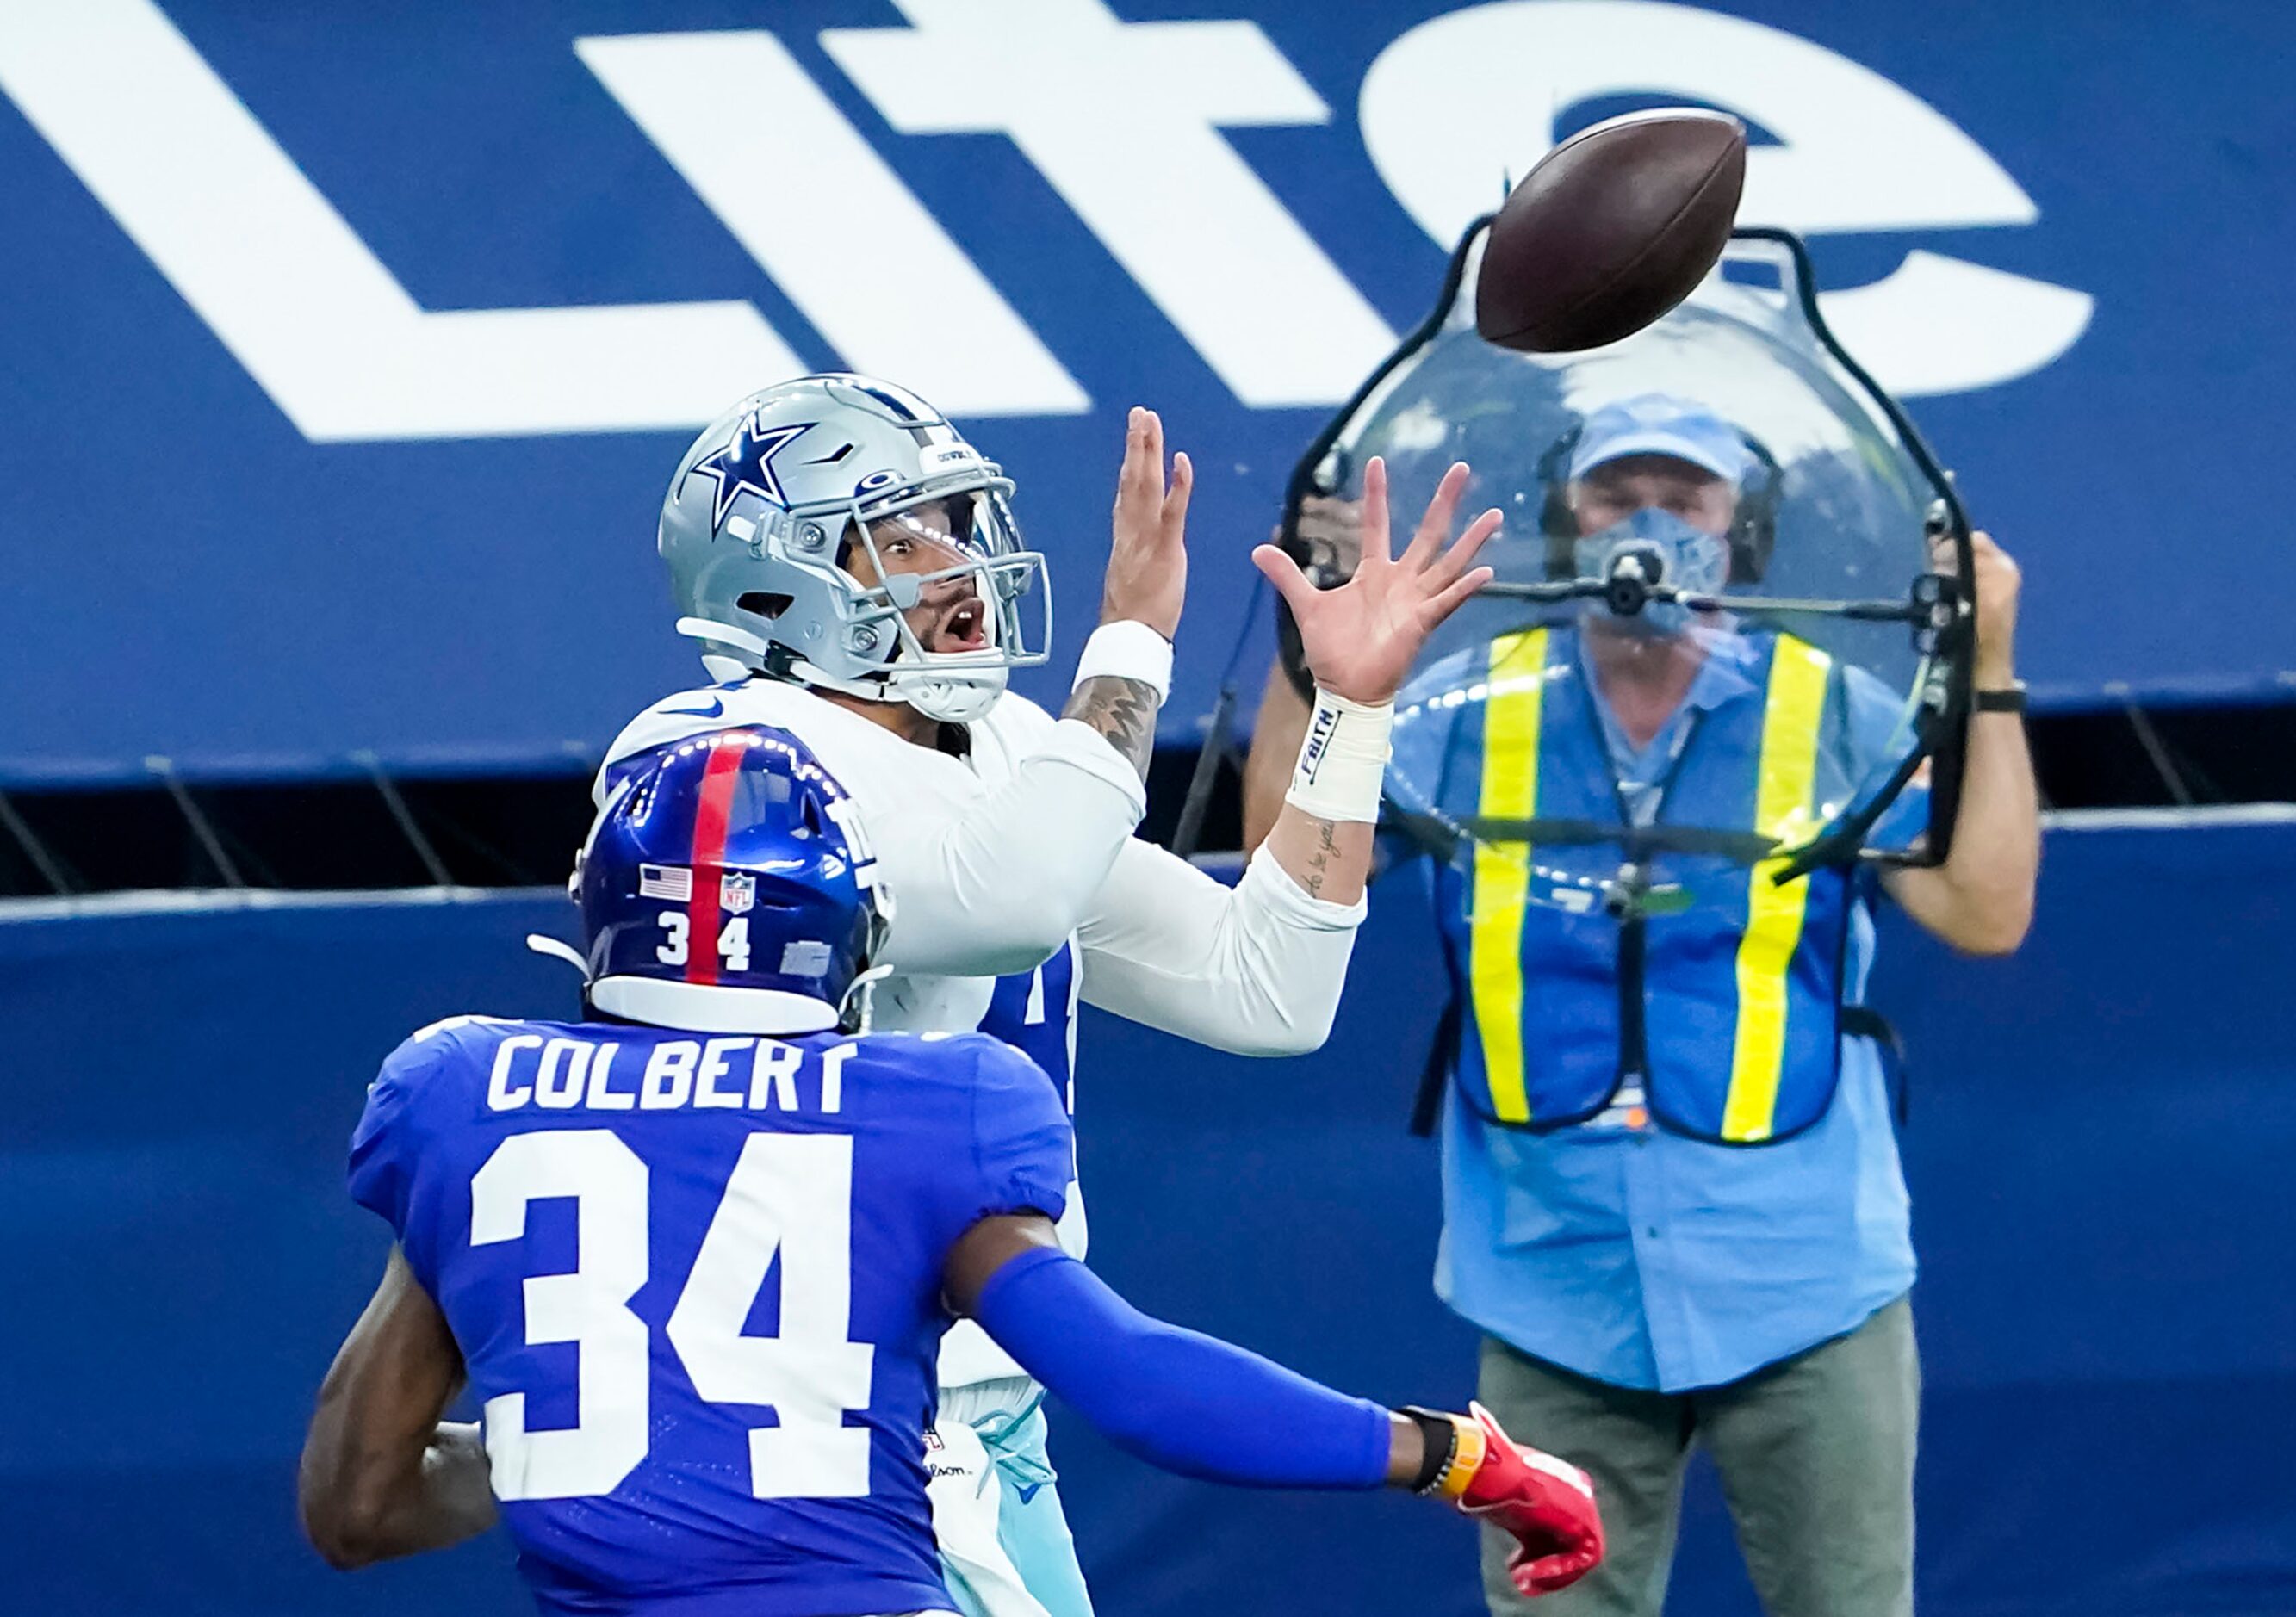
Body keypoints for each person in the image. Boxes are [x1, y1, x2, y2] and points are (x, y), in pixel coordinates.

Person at [298, 727, 1604, 1615]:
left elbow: (355, 1505)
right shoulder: (934, 1102)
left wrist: (580, 1454)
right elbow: (1138, 1383)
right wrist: (1457, 1457)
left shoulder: (464, 1097)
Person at [592, 374, 1500, 1617]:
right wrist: (1132, 641)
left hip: (983, 1416)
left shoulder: (1011, 747)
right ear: (777, 577)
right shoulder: (721, 761)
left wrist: (1352, 708)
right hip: (804, 1410)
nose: (958, 565)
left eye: (959, 525)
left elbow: (1265, 987)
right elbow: (1011, 895)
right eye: (903, 534)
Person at [1243, 394, 2042, 1617]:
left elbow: (1986, 909)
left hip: (1806, 1279)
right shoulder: (1467, 704)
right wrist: (1320, 662)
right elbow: (1288, 873)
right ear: (1568, 516)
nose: (1654, 523)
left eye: (1690, 498)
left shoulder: (1825, 706)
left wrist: (1984, 670)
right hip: (1548, 1286)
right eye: (1620, 495)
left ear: (1747, 530)